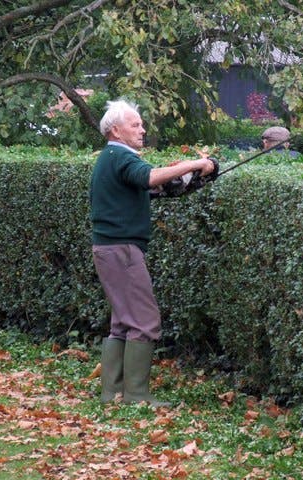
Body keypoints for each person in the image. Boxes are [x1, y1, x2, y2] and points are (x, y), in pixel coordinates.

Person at [90, 99, 216, 407]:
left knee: (122, 321)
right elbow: (147, 177)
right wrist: (194, 165)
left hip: (109, 248)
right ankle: (136, 396)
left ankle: (113, 393)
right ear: (115, 131)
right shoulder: (121, 155)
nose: (142, 129)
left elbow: (148, 187)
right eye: (135, 125)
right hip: (122, 249)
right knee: (145, 321)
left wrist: (178, 178)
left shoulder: (110, 157)